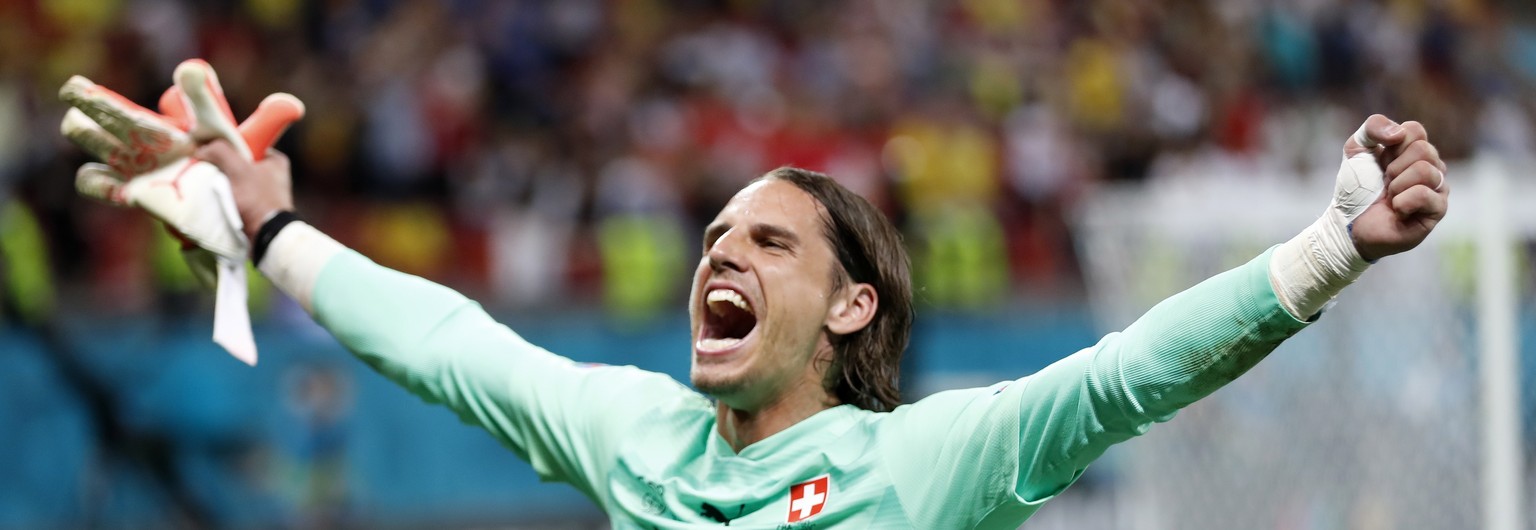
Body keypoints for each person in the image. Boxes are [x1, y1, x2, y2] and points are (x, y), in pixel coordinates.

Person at [172, 105, 1449, 527]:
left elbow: (1123, 378)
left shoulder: (919, 465)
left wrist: (1333, 245)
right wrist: (276, 231)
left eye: (768, 240)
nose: (722, 250)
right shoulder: (636, 436)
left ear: (851, 304)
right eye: (718, 235)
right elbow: (456, 348)